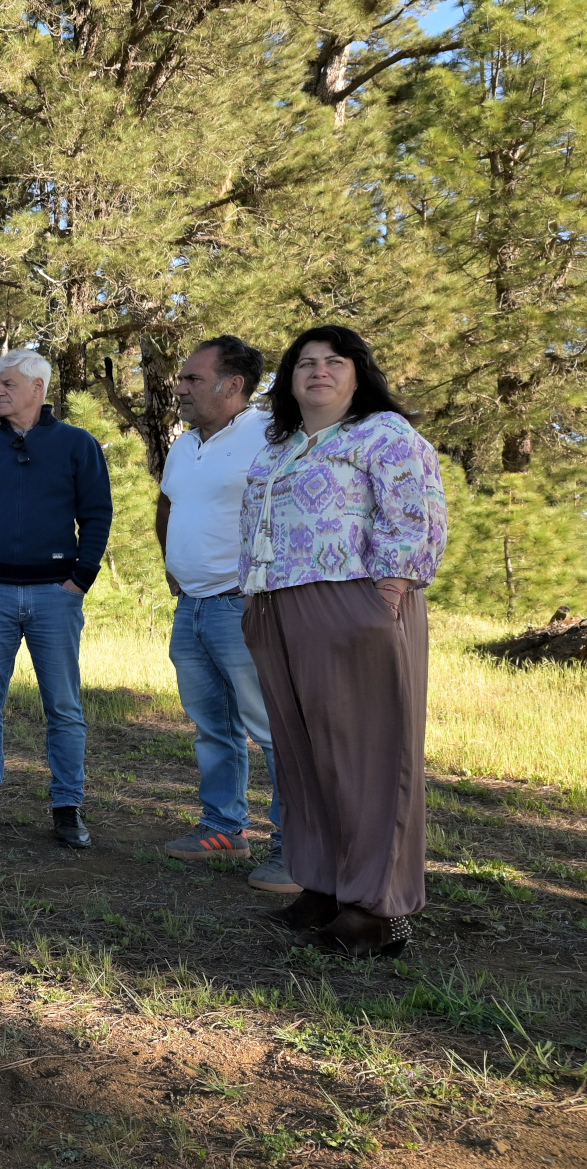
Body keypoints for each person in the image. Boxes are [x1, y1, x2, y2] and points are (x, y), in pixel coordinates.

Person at [239, 325, 446, 958]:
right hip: (278, 600)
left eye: (334, 361)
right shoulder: (279, 444)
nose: (318, 371)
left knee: (367, 756)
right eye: (306, 362)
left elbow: (415, 509)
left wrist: (392, 584)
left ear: (358, 373)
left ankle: (377, 909)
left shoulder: (383, 434)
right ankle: (325, 885)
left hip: (354, 598)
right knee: (304, 754)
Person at [0, 349, 112, 847]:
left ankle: (67, 806)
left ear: (38, 389)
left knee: (62, 705)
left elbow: (98, 514)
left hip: (55, 595)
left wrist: (81, 578)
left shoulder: (77, 446)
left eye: (8, 384)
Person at [154, 337, 295, 893]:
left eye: (192, 378)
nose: (180, 388)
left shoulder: (271, 435)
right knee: (212, 726)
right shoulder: (185, 445)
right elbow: (169, 504)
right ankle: (222, 827)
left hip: (244, 605)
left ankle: (294, 846)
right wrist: (172, 564)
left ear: (231, 385)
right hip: (191, 605)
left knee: (273, 730)